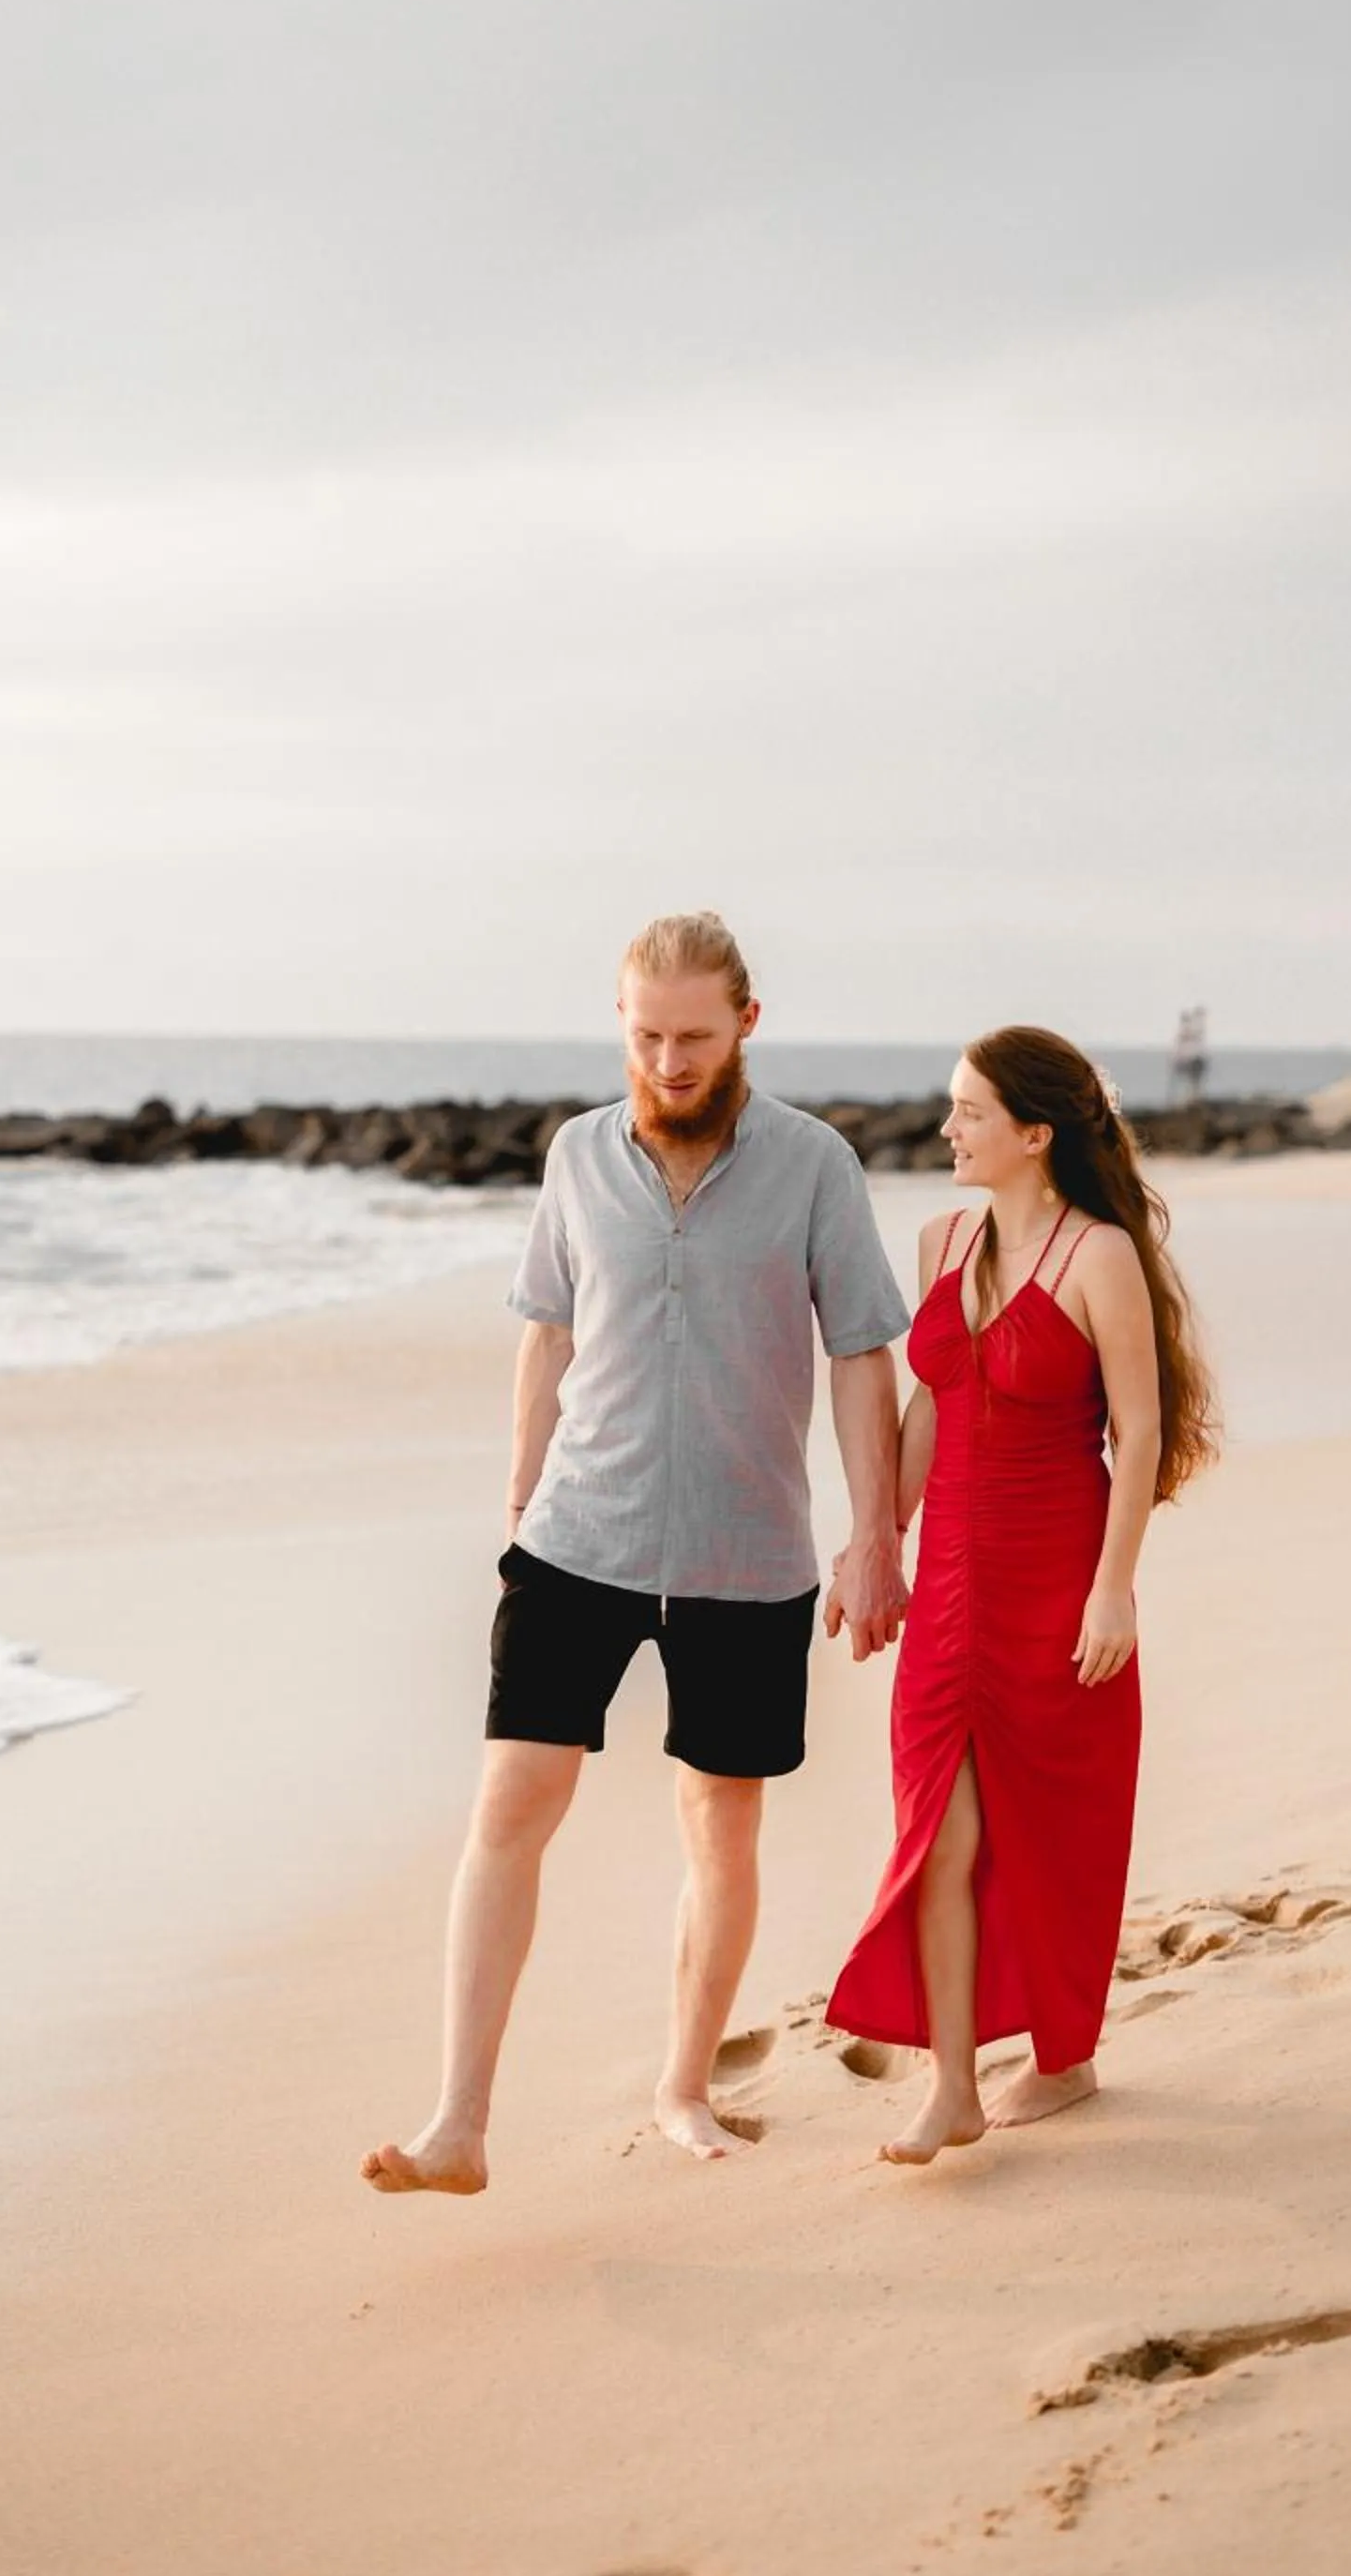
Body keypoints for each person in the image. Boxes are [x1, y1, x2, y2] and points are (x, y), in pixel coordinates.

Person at [362, 911, 911, 2194]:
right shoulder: (574, 1156)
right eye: (646, 1033)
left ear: (747, 1028)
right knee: (509, 1808)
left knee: (720, 1827)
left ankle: (682, 2088)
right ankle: (459, 2124)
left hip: (748, 1554)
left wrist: (875, 1534)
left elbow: (861, 1356)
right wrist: (518, 1498)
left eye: (694, 1037)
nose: (667, 1060)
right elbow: (546, 1333)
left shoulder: (816, 1166)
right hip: (576, 1539)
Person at [826, 1027, 1217, 2162]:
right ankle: (950, 2085)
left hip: (1056, 1577)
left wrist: (1113, 1593)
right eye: (950, 1108)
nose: (947, 1128)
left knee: (1047, 1835)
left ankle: (1062, 2058)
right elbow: (926, 1408)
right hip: (948, 1579)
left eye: (969, 1112)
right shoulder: (940, 1237)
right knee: (934, 1838)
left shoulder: (1097, 1256)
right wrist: (872, 1547)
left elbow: (1137, 1434)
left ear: (1033, 1134)